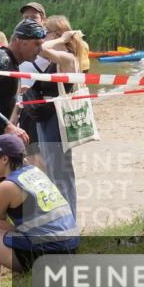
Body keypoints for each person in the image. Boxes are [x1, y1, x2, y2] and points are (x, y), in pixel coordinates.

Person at [25, 17, 89, 218]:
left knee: (60, 171)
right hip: (46, 118)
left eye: (46, 32)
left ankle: (68, 219)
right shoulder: (56, 55)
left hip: (58, 118)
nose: (42, 37)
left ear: (58, 34)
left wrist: (60, 38)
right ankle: (61, 218)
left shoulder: (67, 57)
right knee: (52, 170)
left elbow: (38, 48)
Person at [0, 134, 78, 280]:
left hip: (49, 255)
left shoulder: (7, 186)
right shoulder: (35, 172)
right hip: (70, 249)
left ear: (4, 159)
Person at [0, 20, 45, 142]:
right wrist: (8, 126)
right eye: (37, 44)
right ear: (19, 41)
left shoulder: (12, 62)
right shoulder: (1, 58)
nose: (40, 49)